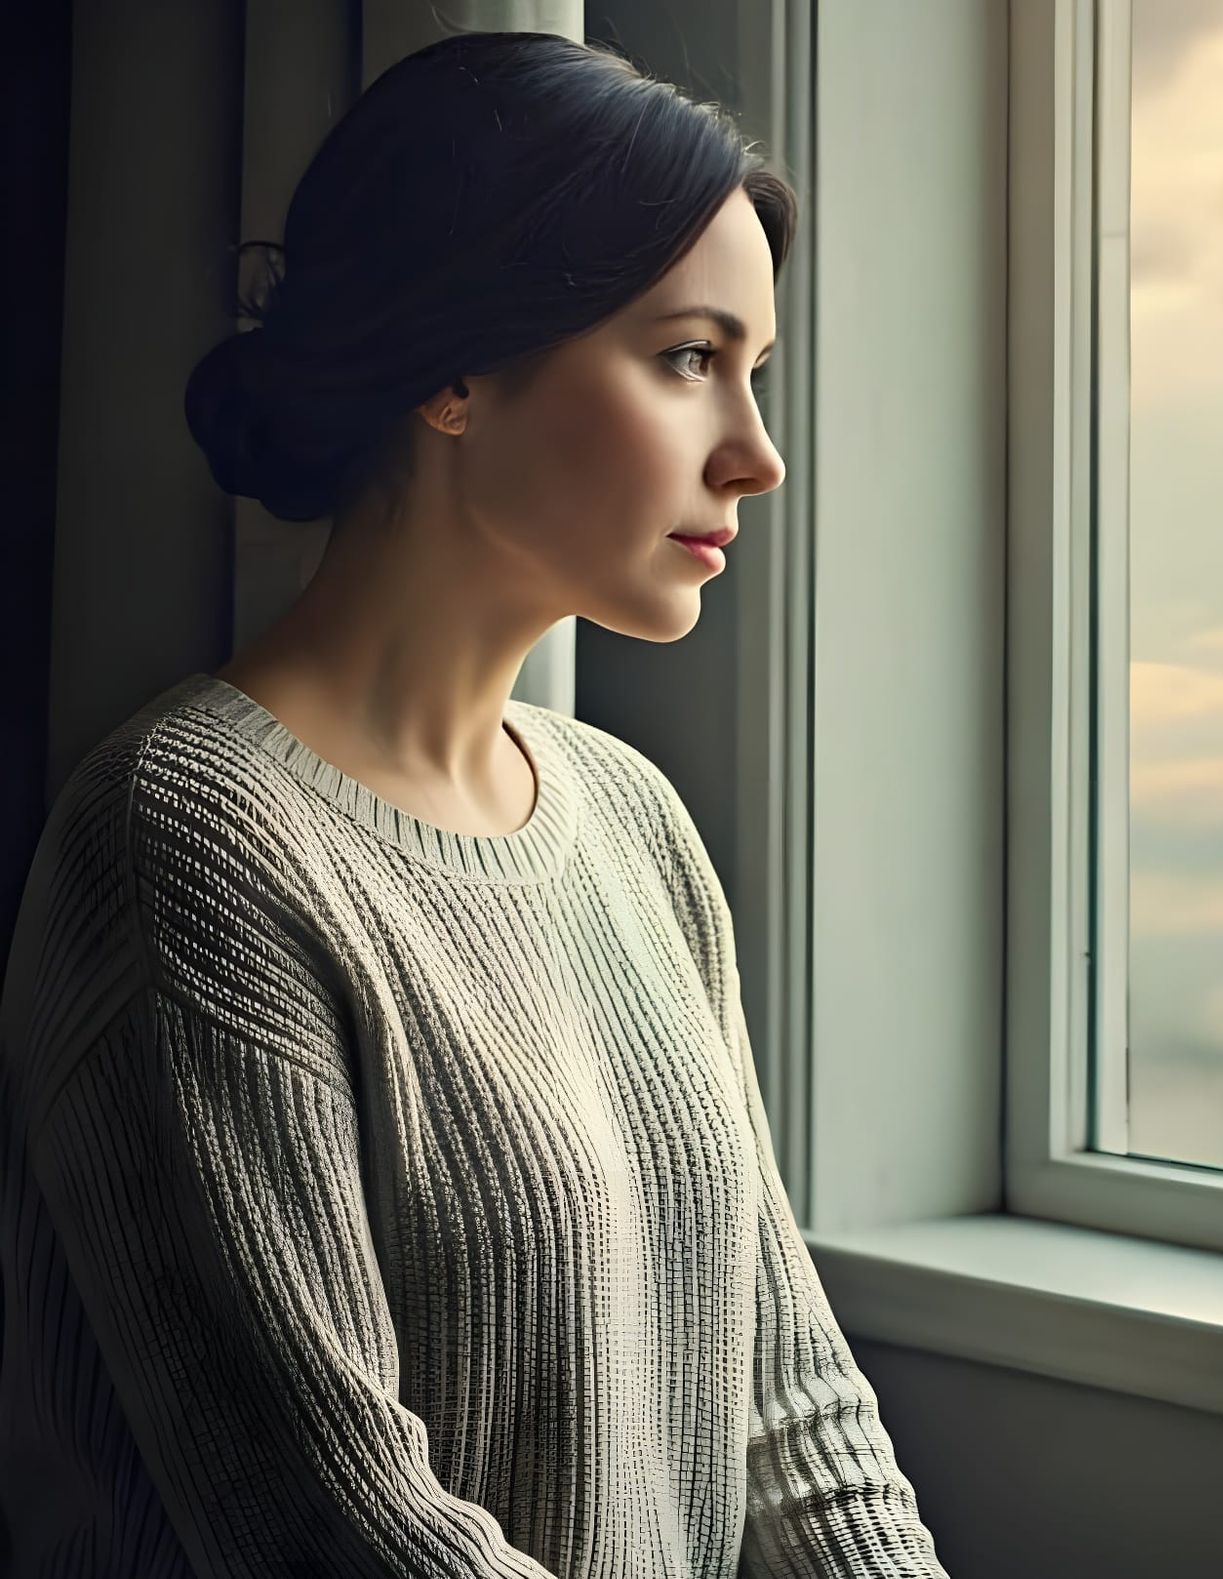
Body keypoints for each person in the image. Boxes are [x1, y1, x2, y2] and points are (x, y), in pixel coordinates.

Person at [0, 30, 949, 1579]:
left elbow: (794, 1424)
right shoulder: (186, 842)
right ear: (455, 369)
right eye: (687, 359)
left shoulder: (628, 818)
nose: (757, 457)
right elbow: (345, 1533)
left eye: (755, 372)